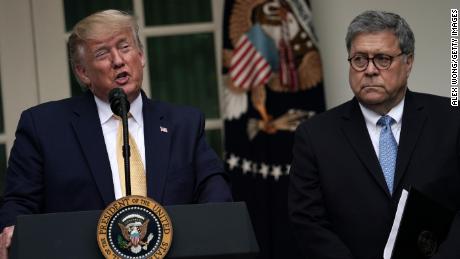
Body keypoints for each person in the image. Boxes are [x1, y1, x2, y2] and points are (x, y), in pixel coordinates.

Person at [0, 9, 232, 258]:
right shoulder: (44, 126)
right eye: (102, 53)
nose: (118, 60)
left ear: (141, 55)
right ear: (83, 73)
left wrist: (212, 227)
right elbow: (20, 202)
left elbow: (212, 186)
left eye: (125, 47)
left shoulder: (183, 123)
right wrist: (13, 229)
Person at [288, 10, 460, 259]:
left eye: (382, 59)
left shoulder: (451, 120)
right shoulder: (314, 136)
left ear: (408, 62)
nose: (369, 70)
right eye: (359, 59)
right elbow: (307, 221)